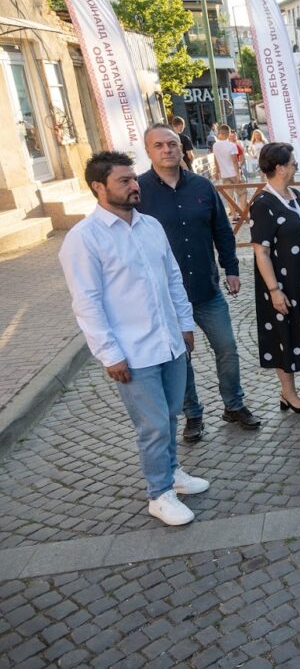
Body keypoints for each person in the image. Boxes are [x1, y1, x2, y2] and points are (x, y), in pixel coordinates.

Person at [58, 151, 208, 526]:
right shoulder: (84, 239)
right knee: (152, 426)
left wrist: (184, 324)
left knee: (169, 416)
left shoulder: (150, 226)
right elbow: (86, 303)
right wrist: (109, 354)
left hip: (169, 342)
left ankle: (172, 473)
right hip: (132, 352)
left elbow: (173, 278)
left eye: (133, 179)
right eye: (123, 181)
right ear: (99, 187)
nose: (134, 185)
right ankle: (159, 494)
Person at [138, 124, 261, 443]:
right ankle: (192, 414)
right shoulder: (139, 192)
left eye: (172, 143)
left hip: (207, 288)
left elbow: (222, 230)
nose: (167, 149)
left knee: (227, 347)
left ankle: (234, 404)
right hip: (166, 296)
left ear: (181, 147)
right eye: (158, 145)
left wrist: (231, 268)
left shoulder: (202, 187)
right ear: (148, 151)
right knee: (181, 357)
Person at [249, 143, 300, 412]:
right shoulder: (263, 204)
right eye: (293, 163)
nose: (296, 167)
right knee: (285, 335)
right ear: (280, 168)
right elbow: (261, 252)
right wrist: (274, 290)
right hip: (282, 282)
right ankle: (288, 393)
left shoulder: (295, 195)